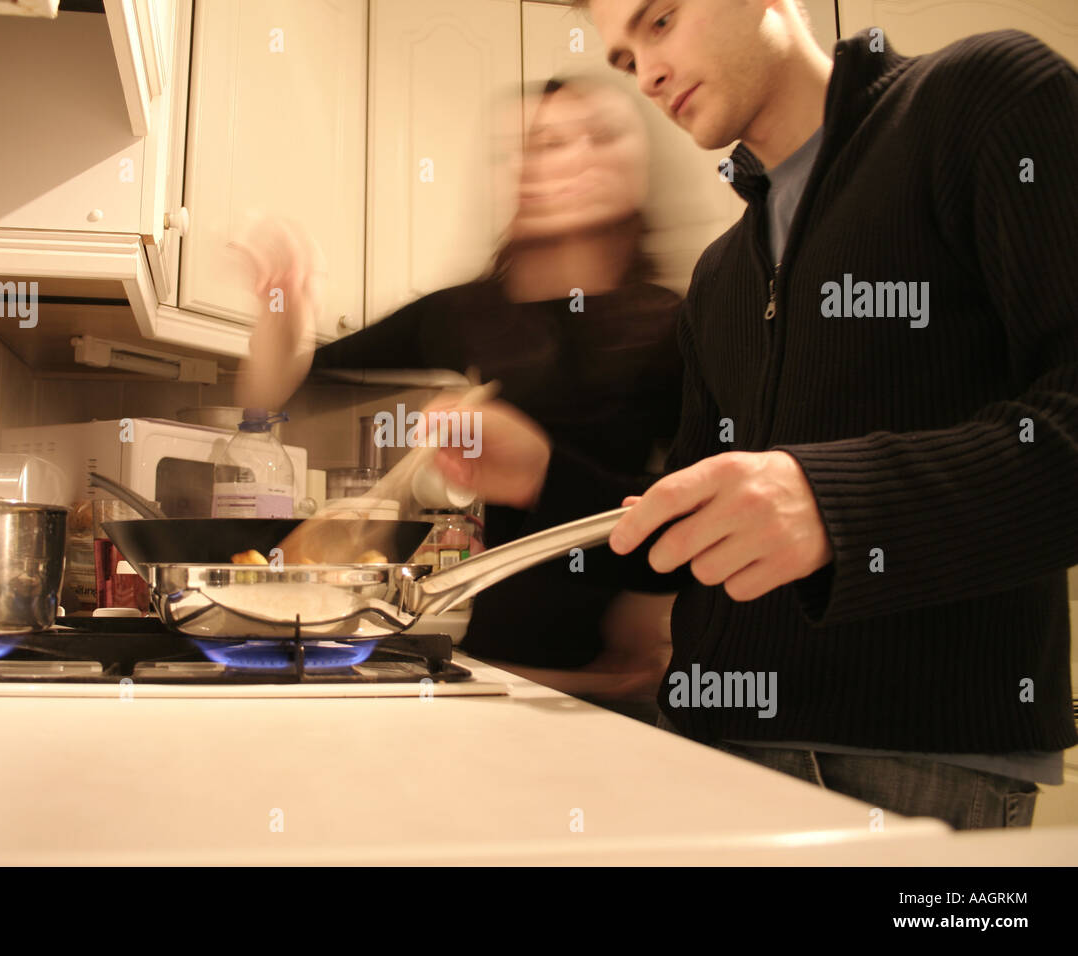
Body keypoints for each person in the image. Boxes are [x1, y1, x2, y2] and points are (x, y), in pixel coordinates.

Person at [429, 0, 1078, 830]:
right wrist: (543, 474)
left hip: (914, 765)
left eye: (660, 22)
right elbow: (682, 549)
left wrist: (832, 506)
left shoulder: (984, 98)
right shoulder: (721, 277)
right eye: (626, 57)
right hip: (705, 750)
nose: (648, 73)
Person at [235, 76, 683, 695]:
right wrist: (283, 307)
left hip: (622, 687)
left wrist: (541, 475)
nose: (569, 158)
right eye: (543, 142)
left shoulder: (679, 326)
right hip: (502, 672)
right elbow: (277, 389)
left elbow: (688, 521)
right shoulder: (474, 314)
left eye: (600, 137)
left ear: (639, 169)